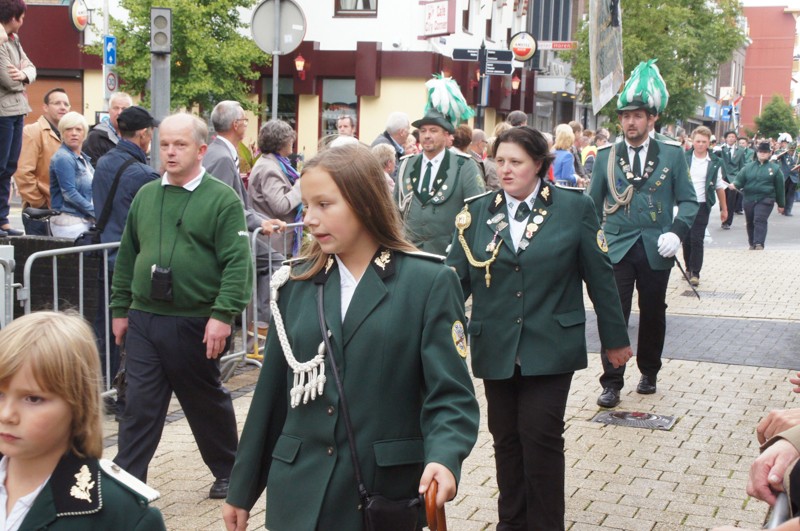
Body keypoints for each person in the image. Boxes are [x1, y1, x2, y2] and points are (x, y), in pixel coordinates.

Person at [223, 144, 479, 531]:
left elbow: (450, 395)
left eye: (324, 205)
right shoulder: (294, 284)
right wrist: (242, 489)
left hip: (378, 493)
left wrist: (444, 457)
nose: (309, 219)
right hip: (299, 493)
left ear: (365, 203)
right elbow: (270, 397)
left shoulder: (427, 283)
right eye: (307, 205)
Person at [446, 126, 632, 530]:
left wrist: (614, 340)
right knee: (505, 439)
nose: (505, 170)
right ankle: (511, 523)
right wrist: (426, 331)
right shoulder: (476, 212)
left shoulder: (573, 207)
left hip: (551, 344)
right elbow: (452, 285)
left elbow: (600, 276)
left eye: (516, 162)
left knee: (541, 435)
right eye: (500, 161)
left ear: (538, 164)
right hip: (496, 344)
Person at [110, 113, 253, 499]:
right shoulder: (146, 195)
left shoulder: (221, 199)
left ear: (201, 150)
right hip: (145, 318)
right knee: (138, 403)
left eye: (180, 145)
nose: (170, 152)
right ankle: (127, 480)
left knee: (204, 401)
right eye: (165, 144)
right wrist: (120, 308)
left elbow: (237, 263)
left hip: (195, 320)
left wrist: (223, 315)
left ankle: (229, 471)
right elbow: (128, 254)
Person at [588, 60, 698, 408]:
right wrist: (592, 246)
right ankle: (612, 381)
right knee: (613, 313)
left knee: (652, 311)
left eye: (637, 115)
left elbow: (689, 200)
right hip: (617, 246)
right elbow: (591, 206)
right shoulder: (606, 156)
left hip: (656, 246)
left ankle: (649, 371)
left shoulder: (672, 153)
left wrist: (677, 233)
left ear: (652, 119)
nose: (630, 122)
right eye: (625, 116)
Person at [0, 311, 166, 530]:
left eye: (33, 398)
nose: (6, 415)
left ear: (78, 402)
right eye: (0, 394)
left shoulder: (122, 515)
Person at [92, 105, 160, 413]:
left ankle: (106, 389)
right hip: (130, 262)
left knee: (107, 327)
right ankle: (124, 397)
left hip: (104, 256)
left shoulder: (103, 162)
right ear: (144, 134)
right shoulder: (144, 175)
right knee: (133, 331)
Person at [205, 101, 285, 325]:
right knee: (275, 262)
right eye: (245, 120)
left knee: (272, 261)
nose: (246, 125)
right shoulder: (222, 157)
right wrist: (259, 223)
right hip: (226, 236)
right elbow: (224, 205)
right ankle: (259, 324)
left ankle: (254, 325)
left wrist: (265, 220)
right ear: (236, 124)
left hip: (235, 230)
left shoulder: (220, 152)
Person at [397, 108, 484, 254]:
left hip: (447, 255)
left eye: (433, 130)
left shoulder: (464, 165)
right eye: (423, 131)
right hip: (410, 254)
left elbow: (477, 211)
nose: (427, 135)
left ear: (446, 135)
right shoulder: (406, 164)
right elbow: (394, 209)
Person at [0, 0, 35, 237]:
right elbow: (7, 79)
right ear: (13, 17)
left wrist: (23, 74)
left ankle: (2, 220)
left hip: (17, 110)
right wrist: (23, 77)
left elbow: (31, 67)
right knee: (1, 166)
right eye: (21, 17)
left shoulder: (14, 39)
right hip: (3, 112)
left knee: (9, 167)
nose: (22, 21)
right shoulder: (2, 41)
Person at [14, 87, 69, 235]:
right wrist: (40, 204)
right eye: (57, 103)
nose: (63, 107)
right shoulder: (32, 131)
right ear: (45, 107)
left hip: (63, 211)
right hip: (40, 213)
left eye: (66, 104)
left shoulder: (68, 134)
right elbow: (23, 173)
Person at [247, 119, 303, 258]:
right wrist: (300, 186)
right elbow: (280, 205)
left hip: (276, 243)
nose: (293, 142)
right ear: (281, 142)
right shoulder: (269, 168)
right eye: (290, 139)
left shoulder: (274, 163)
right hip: (275, 244)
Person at [682, 126, 727, 286]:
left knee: (697, 238)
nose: (700, 144)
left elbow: (719, 186)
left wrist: (724, 208)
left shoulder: (715, 161)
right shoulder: (684, 158)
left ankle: (695, 272)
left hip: (702, 204)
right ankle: (688, 267)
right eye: (698, 141)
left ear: (709, 143)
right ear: (692, 141)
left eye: (704, 142)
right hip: (685, 203)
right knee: (686, 238)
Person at [729, 141, 785, 250]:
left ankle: (759, 243)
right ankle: (752, 243)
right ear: (757, 153)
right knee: (750, 221)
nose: (762, 154)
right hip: (749, 198)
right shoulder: (748, 167)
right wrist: (734, 184)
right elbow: (739, 180)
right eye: (760, 151)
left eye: (765, 152)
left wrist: (781, 204)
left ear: (769, 153)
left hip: (766, 198)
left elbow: (780, 188)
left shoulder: (775, 169)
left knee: (759, 219)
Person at [49, 111, 94, 238]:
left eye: (78, 129)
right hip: (70, 222)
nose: (74, 133)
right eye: (68, 129)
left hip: (83, 220)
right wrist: (95, 212)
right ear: (62, 133)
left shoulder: (84, 159)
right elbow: (69, 193)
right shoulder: (63, 157)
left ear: (84, 134)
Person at [83, 92, 132, 168]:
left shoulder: (134, 136)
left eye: (124, 109)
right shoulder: (95, 137)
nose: (119, 112)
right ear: (109, 111)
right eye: (116, 108)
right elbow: (91, 169)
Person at [720, 130, 746, 229]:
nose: (731, 138)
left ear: (736, 139)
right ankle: (723, 215)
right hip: (722, 178)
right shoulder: (721, 149)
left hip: (734, 178)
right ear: (726, 138)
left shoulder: (741, 150)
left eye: (733, 137)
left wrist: (741, 180)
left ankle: (727, 222)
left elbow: (742, 166)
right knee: (722, 200)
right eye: (729, 137)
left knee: (731, 201)